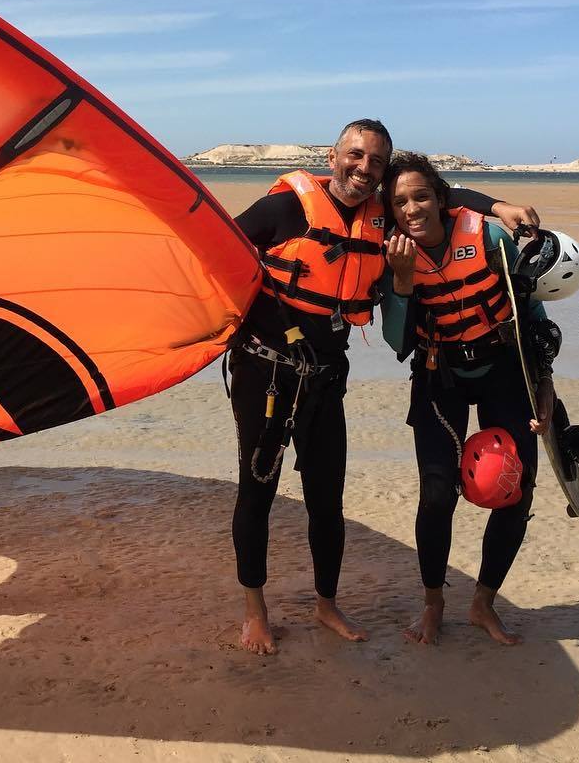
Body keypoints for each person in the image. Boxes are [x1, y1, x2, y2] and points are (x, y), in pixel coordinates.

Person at [229, 121, 539, 655]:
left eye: (375, 161)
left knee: (327, 498)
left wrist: (498, 205)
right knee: (257, 490)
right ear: (333, 156)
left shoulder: (383, 218)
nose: (363, 167)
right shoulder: (286, 208)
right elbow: (222, 250)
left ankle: (326, 604)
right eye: (355, 155)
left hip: (326, 376)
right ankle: (255, 613)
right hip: (266, 372)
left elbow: (444, 196)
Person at [380, 151, 556, 646]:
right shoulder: (392, 254)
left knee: (515, 489)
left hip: (504, 370)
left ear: (440, 198)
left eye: (421, 197)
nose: (411, 209)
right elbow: (396, 341)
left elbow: (530, 312)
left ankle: (483, 603)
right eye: (399, 202)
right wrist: (402, 280)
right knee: (437, 494)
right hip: (439, 378)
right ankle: (433, 602)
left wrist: (544, 383)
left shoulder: (489, 236)